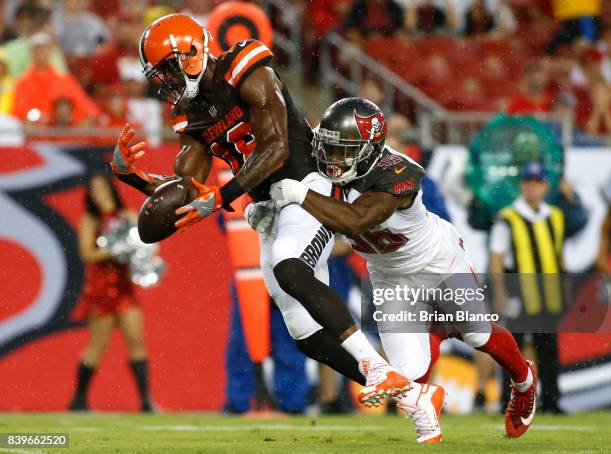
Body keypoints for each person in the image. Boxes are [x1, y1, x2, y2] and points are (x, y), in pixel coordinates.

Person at [111, 13, 430, 412]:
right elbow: (188, 188)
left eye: (169, 71)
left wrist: (222, 195)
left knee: (289, 267)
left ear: (192, 55)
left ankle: (377, 369)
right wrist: (132, 178)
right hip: (268, 208)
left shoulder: (246, 66)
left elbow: (276, 146)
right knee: (304, 332)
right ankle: (414, 396)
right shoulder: (189, 113)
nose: (168, 84)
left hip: (306, 188)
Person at [269, 97, 538, 442]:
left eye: (343, 152)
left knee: (476, 332)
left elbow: (356, 221)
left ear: (370, 149)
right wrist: (272, 216)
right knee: (408, 374)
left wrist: (296, 194)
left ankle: (524, 380)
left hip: (437, 262)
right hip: (389, 276)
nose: (332, 161)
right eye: (330, 150)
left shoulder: (398, 172)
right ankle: (437, 345)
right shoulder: (325, 172)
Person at [69, 173, 152, 412]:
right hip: (102, 290)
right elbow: (87, 254)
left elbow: (143, 242)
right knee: (97, 346)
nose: (100, 194)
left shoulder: (126, 215)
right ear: (90, 195)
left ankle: (146, 401)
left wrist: (146, 256)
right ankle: (79, 399)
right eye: (94, 190)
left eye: (103, 188)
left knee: (136, 341)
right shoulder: (90, 220)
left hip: (125, 288)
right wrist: (114, 250)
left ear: (111, 190)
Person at [489, 161, 565, 413]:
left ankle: (552, 402)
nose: (533, 188)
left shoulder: (554, 216)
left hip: (548, 293)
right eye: (529, 182)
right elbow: (497, 257)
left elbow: (557, 254)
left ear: (545, 186)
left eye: (538, 183)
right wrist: (499, 292)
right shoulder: (508, 218)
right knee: (512, 350)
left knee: (549, 349)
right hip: (519, 291)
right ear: (522, 185)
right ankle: (507, 401)